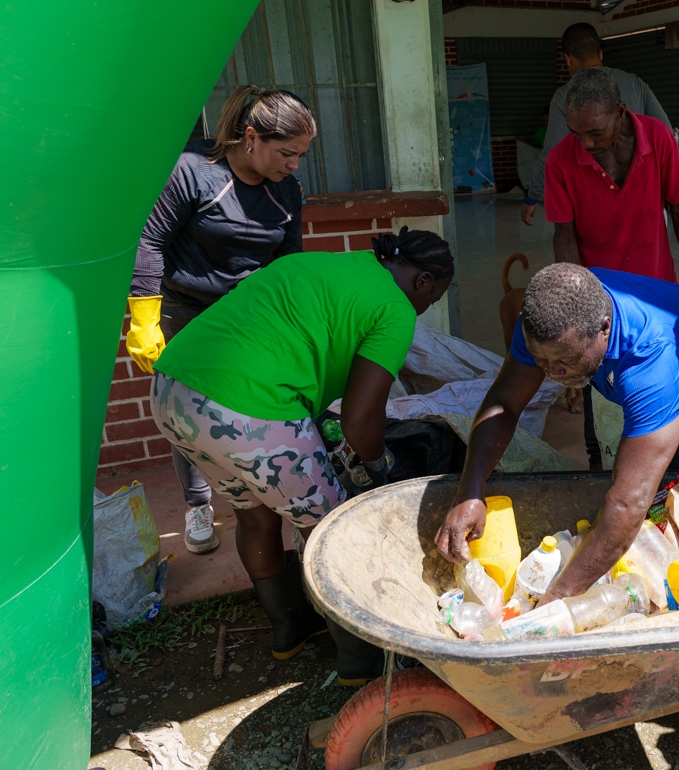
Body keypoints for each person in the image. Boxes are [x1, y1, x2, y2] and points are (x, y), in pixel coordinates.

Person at [150, 229, 454, 684]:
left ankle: (289, 629)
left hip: (173, 392)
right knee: (329, 530)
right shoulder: (394, 307)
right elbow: (361, 419)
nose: (423, 309)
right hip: (251, 413)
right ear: (424, 281)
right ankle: (360, 660)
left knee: (253, 516)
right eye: (432, 299)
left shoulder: (318, 263)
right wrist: (379, 468)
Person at [435, 264, 679, 605]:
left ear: (604, 329)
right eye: (541, 361)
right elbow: (505, 402)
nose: (552, 374)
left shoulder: (650, 362)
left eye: (565, 361)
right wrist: (469, 493)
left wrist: (559, 598)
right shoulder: (548, 323)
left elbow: (627, 503)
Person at [126, 85, 314, 555]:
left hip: (251, 318)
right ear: (251, 137)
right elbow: (148, 243)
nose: (295, 164)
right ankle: (197, 504)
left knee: (267, 405)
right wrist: (144, 318)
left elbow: (289, 260)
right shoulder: (194, 173)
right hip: (188, 311)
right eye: (287, 153)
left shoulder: (286, 190)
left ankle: (281, 502)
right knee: (191, 414)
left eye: (302, 155)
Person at [546, 68, 679, 289]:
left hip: (658, 286)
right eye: (575, 132)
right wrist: (574, 299)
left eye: (595, 132)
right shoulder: (559, 161)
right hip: (600, 293)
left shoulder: (658, 137)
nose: (586, 144)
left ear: (620, 112)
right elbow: (565, 237)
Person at [520, 22, 671, 227]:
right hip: (646, 199)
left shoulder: (566, 95)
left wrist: (532, 196)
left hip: (595, 205)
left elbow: (551, 154)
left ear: (568, 59)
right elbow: (666, 134)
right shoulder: (634, 82)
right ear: (600, 54)